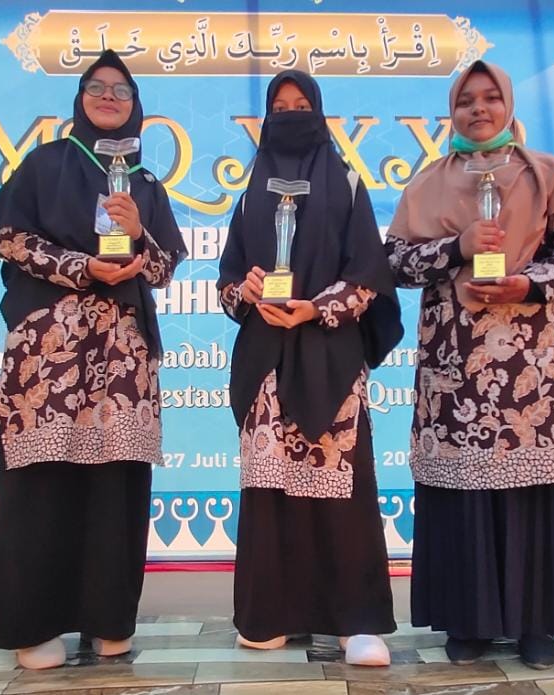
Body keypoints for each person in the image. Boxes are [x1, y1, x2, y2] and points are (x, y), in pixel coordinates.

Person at [385, 60, 554, 670]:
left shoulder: (547, 174)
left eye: (490, 98)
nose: (479, 109)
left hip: (537, 366)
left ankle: (538, 623)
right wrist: (455, 248)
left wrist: (529, 283)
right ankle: (470, 622)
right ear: (452, 111)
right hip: (456, 367)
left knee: (537, 493)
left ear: (508, 105)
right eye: (466, 101)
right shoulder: (428, 182)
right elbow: (394, 262)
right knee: (465, 491)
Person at [0, 49, 186, 670]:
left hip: (123, 355)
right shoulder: (46, 162)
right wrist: (80, 266)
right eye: (98, 87)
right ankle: (32, 625)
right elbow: (11, 238)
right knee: (44, 482)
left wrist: (138, 232)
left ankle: (107, 619)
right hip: (51, 352)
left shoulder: (146, 183)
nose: (109, 97)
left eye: (122, 90)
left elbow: (165, 267)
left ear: (136, 104)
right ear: (80, 97)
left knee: (114, 485)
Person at [217, 70, 404, 667]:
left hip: (329, 354)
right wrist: (246, 291)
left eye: (302, 105)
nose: (291, 114)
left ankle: (355, 621)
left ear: (319, 113)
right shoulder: (251, 190)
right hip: (266, 357)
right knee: (270, 488)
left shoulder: (345, 181)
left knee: (340, 491)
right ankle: (270, 614)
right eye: (280, 105)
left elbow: (369, 274)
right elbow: (227, 282)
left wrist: (316, 308)